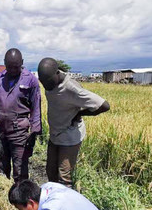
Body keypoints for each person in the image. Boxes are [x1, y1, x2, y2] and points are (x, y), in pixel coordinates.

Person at [37, 58, 110, 188]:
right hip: (55, 134)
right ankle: (55, 199)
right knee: (50, 171)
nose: (45, 86)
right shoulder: (50, 81)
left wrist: (79, 114)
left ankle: (66, 205)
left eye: (48, 82)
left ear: (57, 73)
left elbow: (104, 105)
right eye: (42, 83)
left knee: (64, 177)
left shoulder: (72, 88)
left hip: (69, 136)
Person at [0, 48, 41, 182]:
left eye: (16, 67)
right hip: (0, 130)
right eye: (10, 67)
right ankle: (3, 196)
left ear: (22, 62)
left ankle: (19, 198)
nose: (13, 70)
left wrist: (34, 131)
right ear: (4, 63)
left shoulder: (30, 81)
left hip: (19, 132)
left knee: (20, 169)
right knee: (1, 166)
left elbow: (36, 108)